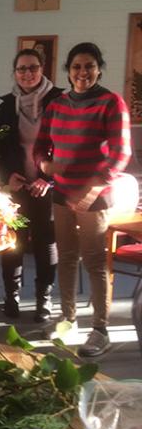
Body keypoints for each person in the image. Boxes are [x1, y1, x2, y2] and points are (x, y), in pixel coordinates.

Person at [34, 42, 131, 356]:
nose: (82, 72)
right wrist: (46, 165)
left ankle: (100, 329)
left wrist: (92, 190)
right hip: (62, 194)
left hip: (96, 197)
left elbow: (121, 154)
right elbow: (40, 147)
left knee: (94, 261)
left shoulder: (111, 103)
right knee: (66, 257)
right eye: (76, 66)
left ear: (99, 68)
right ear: (68, 70)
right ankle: (68, 318)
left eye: (89, 66)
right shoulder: (58, 104)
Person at [0, 48, 62, 322]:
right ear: (15, 72)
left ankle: (43, 300)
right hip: (18, 186)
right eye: (21, 69)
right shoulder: (6, 105)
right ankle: (12, 297)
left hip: (48, 185)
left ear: (42, 68)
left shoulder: (59, 100)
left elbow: (66, 144)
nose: (27, 73)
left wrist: (48, 179)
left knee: (46, 242)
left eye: (32, 67)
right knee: (13, 243)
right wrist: (8, 175)